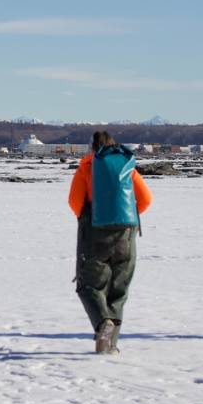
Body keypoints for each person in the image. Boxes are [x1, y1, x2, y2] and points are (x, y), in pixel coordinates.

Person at [68, 131, 152, 354]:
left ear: (92, 147)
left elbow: (75, 202)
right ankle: (110, 345)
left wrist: (91, 218)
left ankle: (102, 321)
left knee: (88, 285)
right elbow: (145, 200)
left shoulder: (87, 167)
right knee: (118, 291)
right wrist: (126, 219)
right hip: (126, 234)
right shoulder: (127, 167)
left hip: (95, 234)